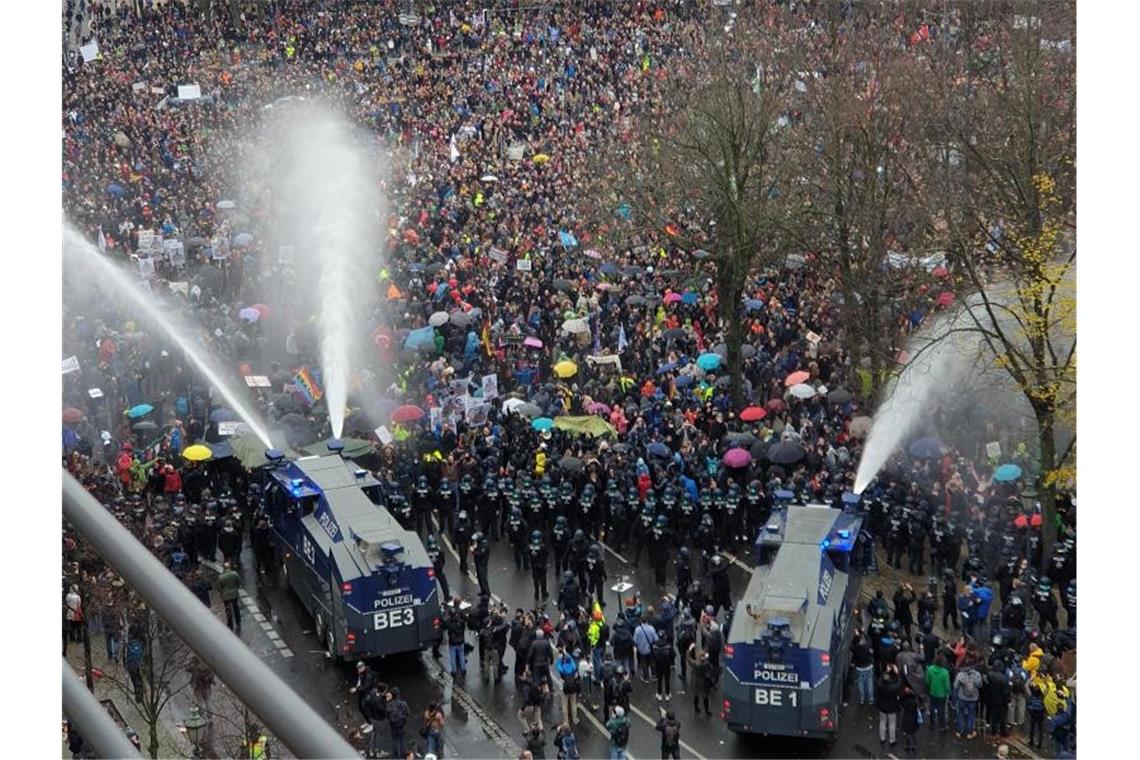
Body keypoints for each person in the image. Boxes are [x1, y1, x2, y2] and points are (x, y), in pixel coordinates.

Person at [954, 661, 984, 739]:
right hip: (973, 698)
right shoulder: (977, 674)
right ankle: (970, 732)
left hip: (962, 697)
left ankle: (960, 731)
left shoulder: (960, 674)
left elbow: (955, 686)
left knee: (960, 714)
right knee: (971, 714)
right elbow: (980, 685)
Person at [876, 663, 902, 748]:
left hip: (882, 706)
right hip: (892, 707)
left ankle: (882, 739)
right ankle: (892, 740)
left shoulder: (880, 685)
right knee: (892, 723)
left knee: (882, 722)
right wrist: (897, 673)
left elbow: (880, 679)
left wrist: (886, 672)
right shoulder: (893, 688)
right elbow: (899, 682)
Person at [924, 653, 951, 731]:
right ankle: (941, 726)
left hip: (932, 692)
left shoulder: (930, 669)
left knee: (932, 708)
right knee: (941, 710)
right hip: (942, 694)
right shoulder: (945, 672)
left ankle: (932, 724)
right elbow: (947, 685)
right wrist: (948, 693)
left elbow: (927, 681)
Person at [214, 562, 242, 634]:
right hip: (234, 594)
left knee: (227, 609)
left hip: (225, 596)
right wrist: (236, 588)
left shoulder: (221, 577)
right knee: (235, 607)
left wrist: (222, 592)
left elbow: (218, 587)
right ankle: (238, 621)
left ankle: (230, 623)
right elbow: (239, 582)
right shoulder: (234, 574)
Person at [556, 646, 581, 726]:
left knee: (564, 705)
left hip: (564, 686)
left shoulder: (559, 663)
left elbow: (560, 673)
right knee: (573, 703)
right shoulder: (571, 661)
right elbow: (576, 671)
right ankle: (575, 719)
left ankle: (566, 722)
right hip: (573, 685)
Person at [351, 661, 378, 733]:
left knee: (366, 708)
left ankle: (371, 725)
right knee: (360, 706)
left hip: (369, 692)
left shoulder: (368, 674)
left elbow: (366, 686)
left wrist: (356, 689)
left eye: (360, 668)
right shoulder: (361, 673)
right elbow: (360, 681)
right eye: (358, 668)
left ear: (364, 667)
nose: (358, 669)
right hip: (363, 691)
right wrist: (357, 687)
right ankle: (367, 721)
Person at [688, 644, 716, 717]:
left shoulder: (694, 664)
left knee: (696, 696)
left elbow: (688, 658)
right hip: (703, 683)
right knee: (705, 698)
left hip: (695, 682)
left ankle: (696, 708)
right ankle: (707, 711)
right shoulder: (706, 665)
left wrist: (690, 649)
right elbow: (711, 671)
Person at [851, 628, 875, 705]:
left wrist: (856, 636)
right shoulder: (866, 646)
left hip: (860, 668)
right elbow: (870, 640)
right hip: (868, 666)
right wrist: (863, 633)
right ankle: (870, 699)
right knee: (869, 683)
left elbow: (852, 645)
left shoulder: (855, 648)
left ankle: (862, 699)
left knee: (861, 683)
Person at [898, 682, 921, 755]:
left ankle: (909, 746)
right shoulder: (915, 701)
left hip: (907, 718)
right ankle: (914, 745)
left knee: (908, 733)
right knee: (914, 733)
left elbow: (900, 703)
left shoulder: (904, 701)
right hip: (914, 717)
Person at [387, 687, 410, 759]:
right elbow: (408, 713)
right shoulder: (403, 703)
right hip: (402, 725)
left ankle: (396, 756)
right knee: (402, 740)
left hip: (393, 726)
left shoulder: (389, 705)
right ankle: (403, 755)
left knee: (394, 740)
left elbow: (387, 715)